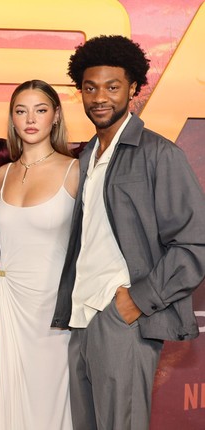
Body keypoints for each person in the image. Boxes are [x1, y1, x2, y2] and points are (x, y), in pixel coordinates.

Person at [51, 35, 205, 430]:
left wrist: (137, 301)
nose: (99, 97)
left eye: (112, 86)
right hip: (81, 319)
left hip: (122, 320)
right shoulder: (87, 156)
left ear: (133, 88)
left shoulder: (159, 154)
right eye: (90, 88)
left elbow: (194, 243)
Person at [0, 80, 78, 430]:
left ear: (56, 116)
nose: (30, 119)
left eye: (41, 109)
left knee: (49, 414)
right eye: (21, 111)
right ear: (12, 119)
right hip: (6, 302)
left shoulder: (75, 170)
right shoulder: (3, 173)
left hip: (54, 313)